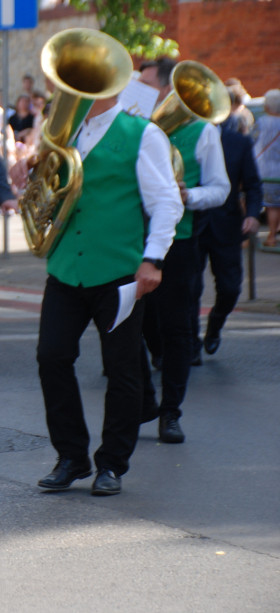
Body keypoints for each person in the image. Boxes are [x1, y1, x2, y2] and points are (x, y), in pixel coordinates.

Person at [9, 74, 183, 496]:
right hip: (67, 267)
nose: (72, 91)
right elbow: (46, 192)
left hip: (120, 270)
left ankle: (112, 464)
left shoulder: (143, 134)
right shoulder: (63, 133)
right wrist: (26, 171)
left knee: (123, 370)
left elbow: (166, 202)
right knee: (51, 357)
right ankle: (71, 456)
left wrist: (152, 259)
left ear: (111, 87)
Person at [137, 57, 229, 444]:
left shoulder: (203, 131)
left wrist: (187, 194)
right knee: (132, 324)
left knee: (177, 330)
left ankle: (170, 411)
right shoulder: (131, 125)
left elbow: (220, 189)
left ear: (168, 90)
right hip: (127, 239)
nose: (136, 93)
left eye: (145, 86)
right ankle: (144, 399)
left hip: (181, 240)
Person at [191, 120, 262, 358]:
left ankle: (215, 324)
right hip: (191, 225)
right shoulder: (185, 134)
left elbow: (253, 184)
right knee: (190, 288)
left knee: (230, 288)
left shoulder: (238, 142)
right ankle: (191, 344)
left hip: (228, 225)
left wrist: (252, 215)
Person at [255, 89, 280, 249]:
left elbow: (251, 141)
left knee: (271, 205)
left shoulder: (261, 122)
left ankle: (271, 235)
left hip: (266, 168)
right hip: (277, 168)